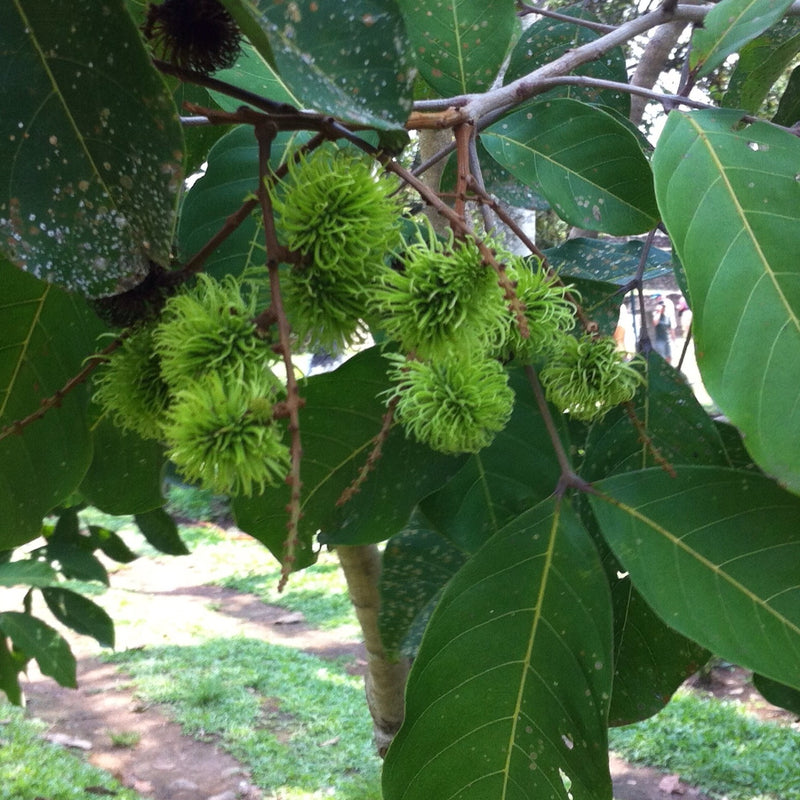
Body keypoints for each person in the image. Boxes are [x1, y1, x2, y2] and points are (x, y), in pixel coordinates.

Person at [652, 295, 676, 363]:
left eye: (664, 307)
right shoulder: (656, 315)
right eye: (662, 307)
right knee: (661, 358)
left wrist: (673, 340)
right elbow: (655, 323)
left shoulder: (667, 317)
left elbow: (671, 329)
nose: (663, 308)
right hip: (660, 341)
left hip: (667, 341)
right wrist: (659, 312)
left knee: (669, 357)